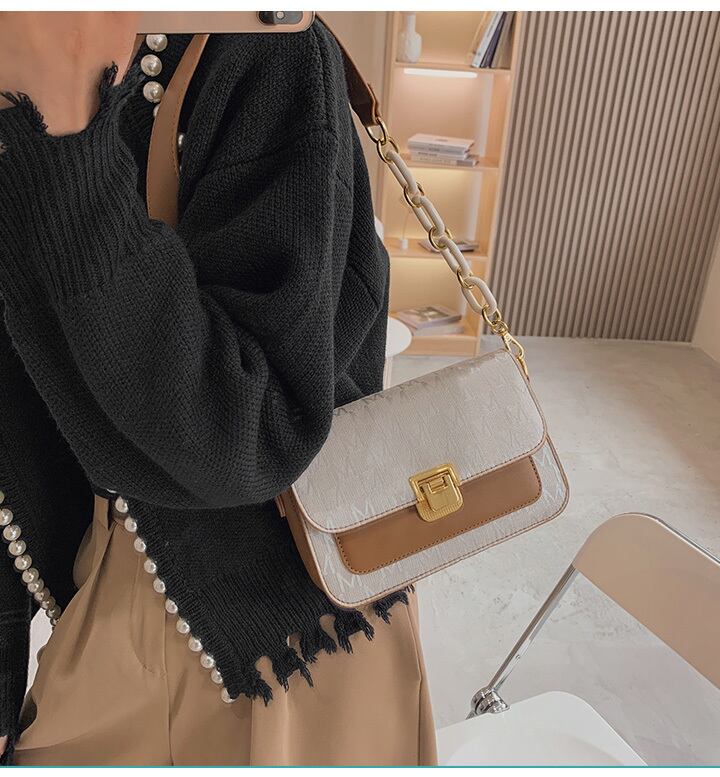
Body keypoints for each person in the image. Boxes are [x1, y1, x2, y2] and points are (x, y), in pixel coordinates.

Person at [0, 11, 436, 766]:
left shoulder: (268, 53)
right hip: (98, 597)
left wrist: (67, 129)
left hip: (282, 645)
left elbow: (252, 434)